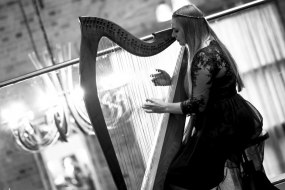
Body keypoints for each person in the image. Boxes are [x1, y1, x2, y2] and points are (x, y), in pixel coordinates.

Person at [142, 4, 266, 190]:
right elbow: (209, 87)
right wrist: (172, 81)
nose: (173, 35)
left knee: (176, 178)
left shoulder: (204, 56)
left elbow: (198, 105)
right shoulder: (210, 46)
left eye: (176, 30)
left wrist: (164, 107)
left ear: (189, 28)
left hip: (223, 125)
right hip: (231, 116)